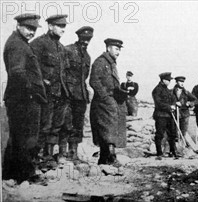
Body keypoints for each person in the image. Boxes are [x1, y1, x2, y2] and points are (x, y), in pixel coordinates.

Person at [2, 13, 48, 185]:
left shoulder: (19, 43)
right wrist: (32, 92)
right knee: (27, 138)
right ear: (19, 26)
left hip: (19, 99)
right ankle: (26, 175)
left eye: (34, 29)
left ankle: (10, 175)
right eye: (29, 28)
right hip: (24, 100)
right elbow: (18, 73)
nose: (31, 32)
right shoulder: (17, 45)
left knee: (18, 137)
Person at [30, 14, 71, 165]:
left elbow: (64, 72)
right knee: (43, 126)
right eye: (60, 26)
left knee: (56, 126)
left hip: (59, 94)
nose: (63, 29)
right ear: (50, 26)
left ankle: (47, 156)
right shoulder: (38, 44)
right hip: (44, 94)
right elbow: (31, 68)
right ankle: (34, 159)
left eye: (64, 26)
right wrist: (42, 82)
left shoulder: (61, 48)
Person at [89, 38, 128, 165]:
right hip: (102, 102)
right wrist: (105, 97)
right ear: (108, 48)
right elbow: (94, 81)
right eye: (116, 49)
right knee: (108, 129)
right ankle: (111, 157)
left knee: (108, 129)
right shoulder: (100, 62)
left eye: (119, 49)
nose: (118, 52)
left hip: (110, 101)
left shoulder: (111, 63)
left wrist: (121, 91)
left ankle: (103, 159)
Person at [64, 26, 93, 162]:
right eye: (83, 39)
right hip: (68, 94)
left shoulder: (87, 57)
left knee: (78, 124)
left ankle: (73, 153)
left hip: (81, 95)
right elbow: (62, 72)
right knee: (66, 123)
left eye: (88, 39)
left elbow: (84, 77)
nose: (86, 42)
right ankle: (61, 154)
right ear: (78, 37)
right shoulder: (68, 50)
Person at [152, 72, 179, 159]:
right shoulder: (157, 90)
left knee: (172, 134)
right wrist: (169, 106)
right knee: (159, 134)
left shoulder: (167, 89)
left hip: (169, 115)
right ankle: (159, 153)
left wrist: (174, 105)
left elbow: (173, 98)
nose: (169, 82)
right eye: (168, 80)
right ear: (163, 80)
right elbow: (158, 103)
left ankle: (173, 151)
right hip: (161, 115)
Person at [172, 76, 198, 145]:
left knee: (183, 132)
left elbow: (195, 100)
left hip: (184, 114)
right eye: (180, 81)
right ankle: (174, 148)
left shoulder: (186, 92)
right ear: (176, 82)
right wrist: (174, 104)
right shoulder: (171, 92)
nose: (182, 83)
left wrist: (189, 103)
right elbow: (167, 101)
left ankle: (182, 146)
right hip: (175, 114)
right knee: (174, 132)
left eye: (183, 82)